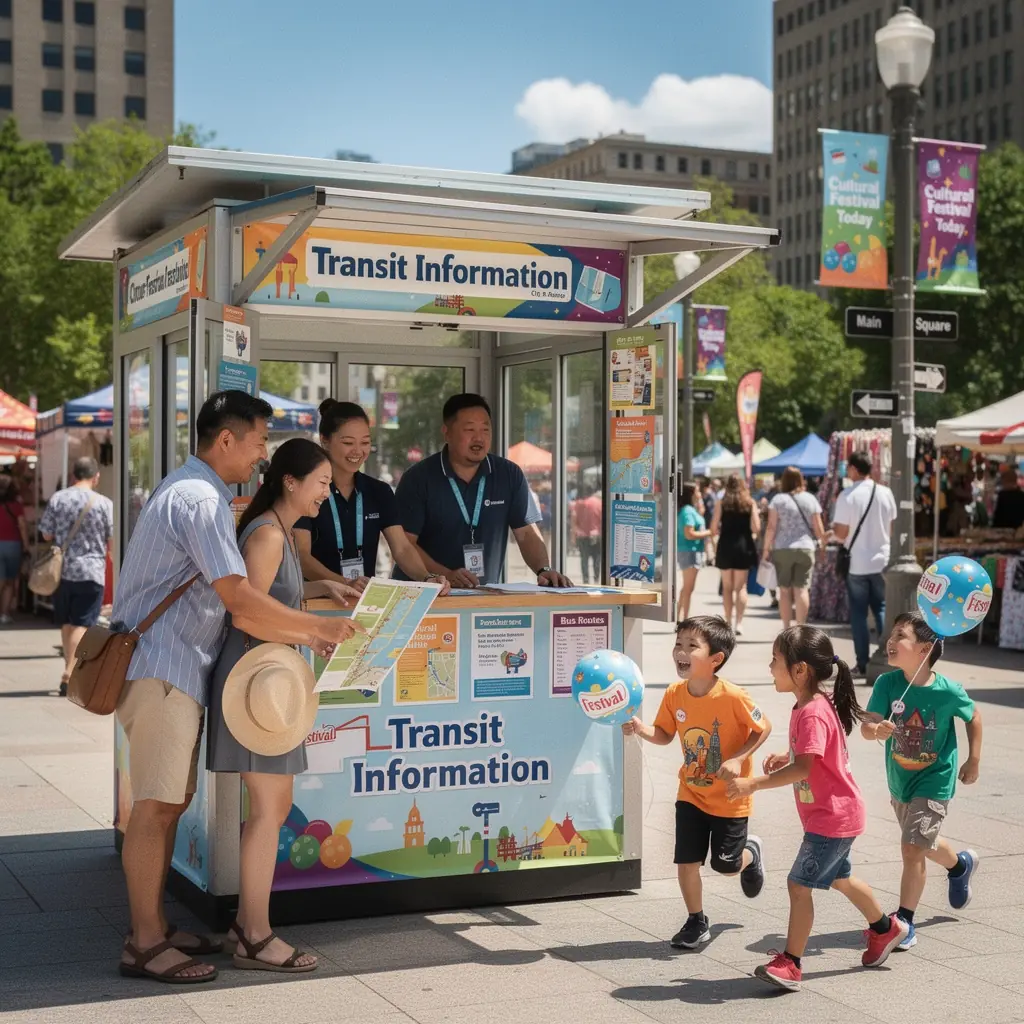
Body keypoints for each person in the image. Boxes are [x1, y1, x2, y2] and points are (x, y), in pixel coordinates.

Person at [112, 392, 359, 985]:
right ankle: (145, 943)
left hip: (170, 668)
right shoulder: (199, 499)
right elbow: (241, 601)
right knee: (155, 808)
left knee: (166, 803)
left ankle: (155, 929)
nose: (260, 456)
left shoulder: (192, 491)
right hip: (164, 668)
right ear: (226, 440)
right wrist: (317, 629)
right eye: (256, 442)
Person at [208, 438, 361, 973]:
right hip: (260, 690)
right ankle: (254, 934)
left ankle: (246, 926)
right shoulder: (270, 533)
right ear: (291, 482)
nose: (327, 491)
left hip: (262, 682)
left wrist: (319, 587)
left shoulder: (270, 527)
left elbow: (266, 601)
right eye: (321, 482)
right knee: (270, 813)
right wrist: (314, 627)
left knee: (269, 811)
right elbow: (246, 615)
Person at [727, 626, 908, 992]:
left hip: (832, 818)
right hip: (836, 814)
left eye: (775, 660)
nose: (769, 667)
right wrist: (789, 755)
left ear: (800, 670)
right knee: (840, 878)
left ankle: (791, 963)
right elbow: (811, 756)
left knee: (798, 885)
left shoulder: (811, 711)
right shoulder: (809, 706)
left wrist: (753, 784)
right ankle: (886, 929)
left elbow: (806, 768)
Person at [623, 615, 770, 949]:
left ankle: (751, 853)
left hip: (730, 799)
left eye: (692, 646)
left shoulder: (734, 696)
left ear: (715, 659)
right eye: (678, 644)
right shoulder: (675, 694)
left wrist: (736, 758)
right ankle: (696, 920)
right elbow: (664, 734)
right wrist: (641, 729)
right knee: (686, 861)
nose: (681, 651)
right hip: (690, 793)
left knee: (726, 866)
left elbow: (764, 728)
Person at [861, 612, 982, 950]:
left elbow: (974, 717)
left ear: (925, 649)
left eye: (900, 635)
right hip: (901, 782)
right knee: (922, 844)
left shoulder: (948, 691)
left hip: (935, 780)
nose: (890, 640)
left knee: (912, 847)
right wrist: (875, 730)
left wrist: (973, 759)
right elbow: (867, 725)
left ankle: (904, 921)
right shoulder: (887, 684)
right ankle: (960, 866)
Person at [394, 393, 570, 588]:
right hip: (422, 594)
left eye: (485, 429)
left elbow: (526, 533)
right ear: (447, 432)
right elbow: (404, 544)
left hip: (482, 597)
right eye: (469, 429)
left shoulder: (508, 474)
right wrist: (445, 576)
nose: (479, 438)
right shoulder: (418, 478)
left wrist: (543, 569)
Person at [295, 400, 449, 592]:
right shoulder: (308, 490)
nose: (358, 451)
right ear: (324, 440)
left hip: (363, 602)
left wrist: (427, 578)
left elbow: (402, 548)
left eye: (365, 442)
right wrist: (343, 584)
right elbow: (302, 556)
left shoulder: (379, 491)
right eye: (348, 443)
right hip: (318, 603)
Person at [38, 457, 114, 695]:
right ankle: (70, 672)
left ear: (73, 475)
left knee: (68, 623)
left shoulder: (58, 498)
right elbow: (111, 539)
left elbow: (46, 535)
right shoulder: (103, 503)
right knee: (83, 623)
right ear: (96, 476)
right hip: (91, 571)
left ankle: (68, 667)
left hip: (62, 572)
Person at [832, 451, 897, 678]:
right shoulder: (885, 493)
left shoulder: (848, 496)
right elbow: (891, 527)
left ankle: (862, 662)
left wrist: (833, 531)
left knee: (859, 614)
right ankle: (890, 658)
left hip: (857, 562)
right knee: (881, 609)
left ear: (854, 469)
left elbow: (841, 533)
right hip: (882, 559)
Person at [762, 466, 826, 628]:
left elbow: (771, 526)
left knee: (784, 590)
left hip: (782, 548)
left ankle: (786, 628)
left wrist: (765, 549)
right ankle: (801, 626)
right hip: (806, 547)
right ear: (801, 480)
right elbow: (818, 527)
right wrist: (823, 546)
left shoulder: (777, 499)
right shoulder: (810, 499)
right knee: (802, 590)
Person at [711, 474, 760, 636]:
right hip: (743, 546)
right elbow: (756, 528)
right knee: (741, 587)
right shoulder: (749, 503)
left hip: (725, 545)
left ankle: (727, 621)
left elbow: (713, 528)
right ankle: (739, 623)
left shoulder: (721, 503)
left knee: (726, 587)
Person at [676, 482, 711, 621]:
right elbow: (689, 534)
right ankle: (684, 618)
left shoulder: (690, 510)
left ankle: (681, 617)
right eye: (697, 491)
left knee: (687, 588)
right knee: (688, 588)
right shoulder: (688, 511)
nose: (700, 494)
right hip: (690, 551)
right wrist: (709, 532)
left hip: (691, 551)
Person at [0, 474, 27, 626]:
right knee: (9, 582)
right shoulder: (16, 506)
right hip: (12, 545)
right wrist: (27, 545)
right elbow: (22, 526)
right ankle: (4, 614)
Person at [570, 484, 602, 584]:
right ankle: (596, 578)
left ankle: (586, 579)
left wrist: (573, 537)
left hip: (582, 536)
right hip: (596, 535)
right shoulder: (599, 503)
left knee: (584, 559)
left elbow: (574, 521)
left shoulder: (578, 504)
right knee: (596, 558)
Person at [992, 464, 1024, 530]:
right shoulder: (1021, 495)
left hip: (1002, 529)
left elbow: (998, 515)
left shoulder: (1002, 495)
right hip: (1017, 529)